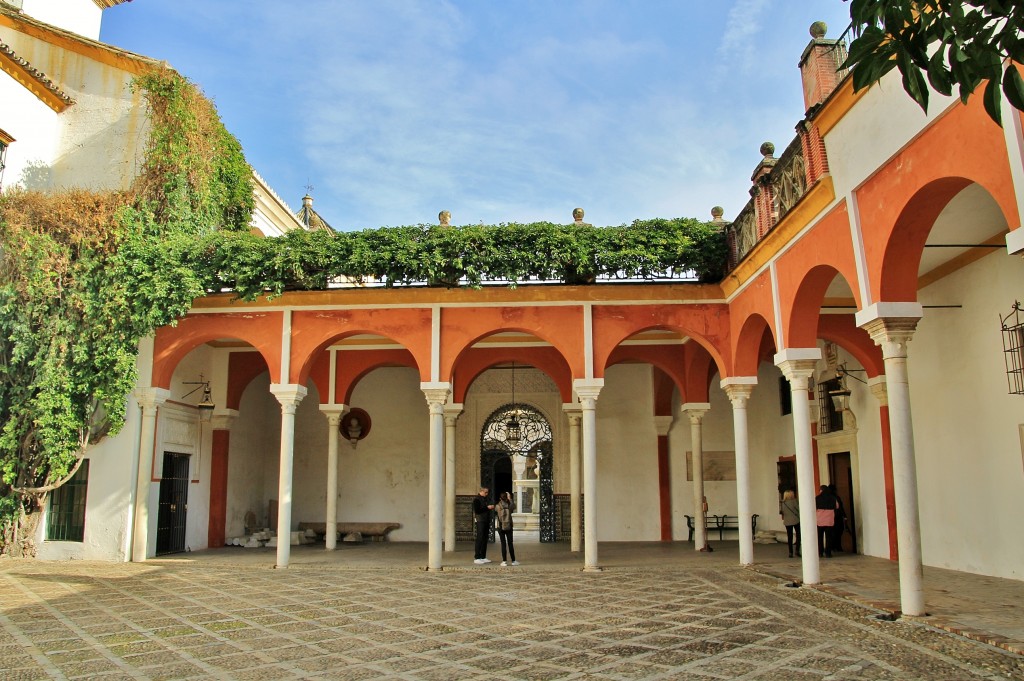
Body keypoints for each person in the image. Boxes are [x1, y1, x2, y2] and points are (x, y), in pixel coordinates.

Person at [495, 491, 519, 566]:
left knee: (503, 543)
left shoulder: (497, 506)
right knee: (510, 543)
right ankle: (513, 560)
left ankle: (504, 561)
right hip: (509, 526)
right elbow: (514, 507)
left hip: (500, 526)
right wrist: (510, 499)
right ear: (507, 498)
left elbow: (496, 512)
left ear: (500, 498)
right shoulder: (509, 505)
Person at [815, 485, 838, 558]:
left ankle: (820, 552)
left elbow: (813, 507)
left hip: (820, 521)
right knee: (829, 537)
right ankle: (828, 553)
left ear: (821, 490)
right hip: (829, 521)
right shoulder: (833, 498)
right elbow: (837, 506)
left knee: (819, 537)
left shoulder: (817, 498)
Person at [472, 487, 494, 564]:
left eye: (487, 492)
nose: (486, 494)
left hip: (486, 520)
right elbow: (477, 510)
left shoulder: (486, 499)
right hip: (480, 520)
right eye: (485, 492)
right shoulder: (476, 500)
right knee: (480, 538)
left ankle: (483, 556)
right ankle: (477, 557)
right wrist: (487, 508)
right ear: (481, 491)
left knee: (485, 538)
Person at [779, 489, 800, 558]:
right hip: (796, 520)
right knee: (798, 535)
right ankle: (797, 550)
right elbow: (798, 509)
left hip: (787, 521)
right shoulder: (794, 501)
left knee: (789, 537)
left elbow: (781, 512)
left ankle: (790, 552)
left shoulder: (783, 503)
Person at [829, 484, 846, 553]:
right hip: (837, 517)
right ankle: (838, 546)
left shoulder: (828, 498)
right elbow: (841, 508)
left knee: (832, 533)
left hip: (830, 517)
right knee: (838, 532)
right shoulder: (836, 497)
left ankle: (833, 546)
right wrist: (844, 516)